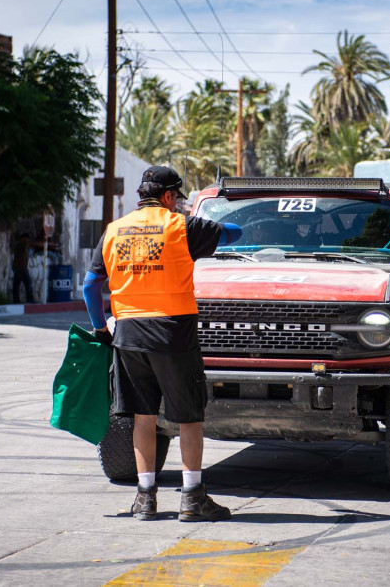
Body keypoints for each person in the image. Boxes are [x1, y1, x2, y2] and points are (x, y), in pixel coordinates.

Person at [82, 166, 242, 522]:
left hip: (128, 335)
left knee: (144, 416)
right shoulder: (180, 226)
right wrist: (207, 221)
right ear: (169, 196)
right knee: (189, 417)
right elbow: (235, 233)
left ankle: (145, 498)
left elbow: (90, 286)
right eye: (177, 199)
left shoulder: (113, 231)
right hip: (173, 332)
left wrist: (100, 330)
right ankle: (192, 498)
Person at [12, 232, 36, 304]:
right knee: (28, 282)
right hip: (21, 267)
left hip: (18, 267)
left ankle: (16, 300)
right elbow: (32, 244)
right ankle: (30, 299)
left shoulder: (21, 245)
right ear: (24, 238)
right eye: (27, 238)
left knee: (16, 284)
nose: (28, 240)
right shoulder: (21, 244)